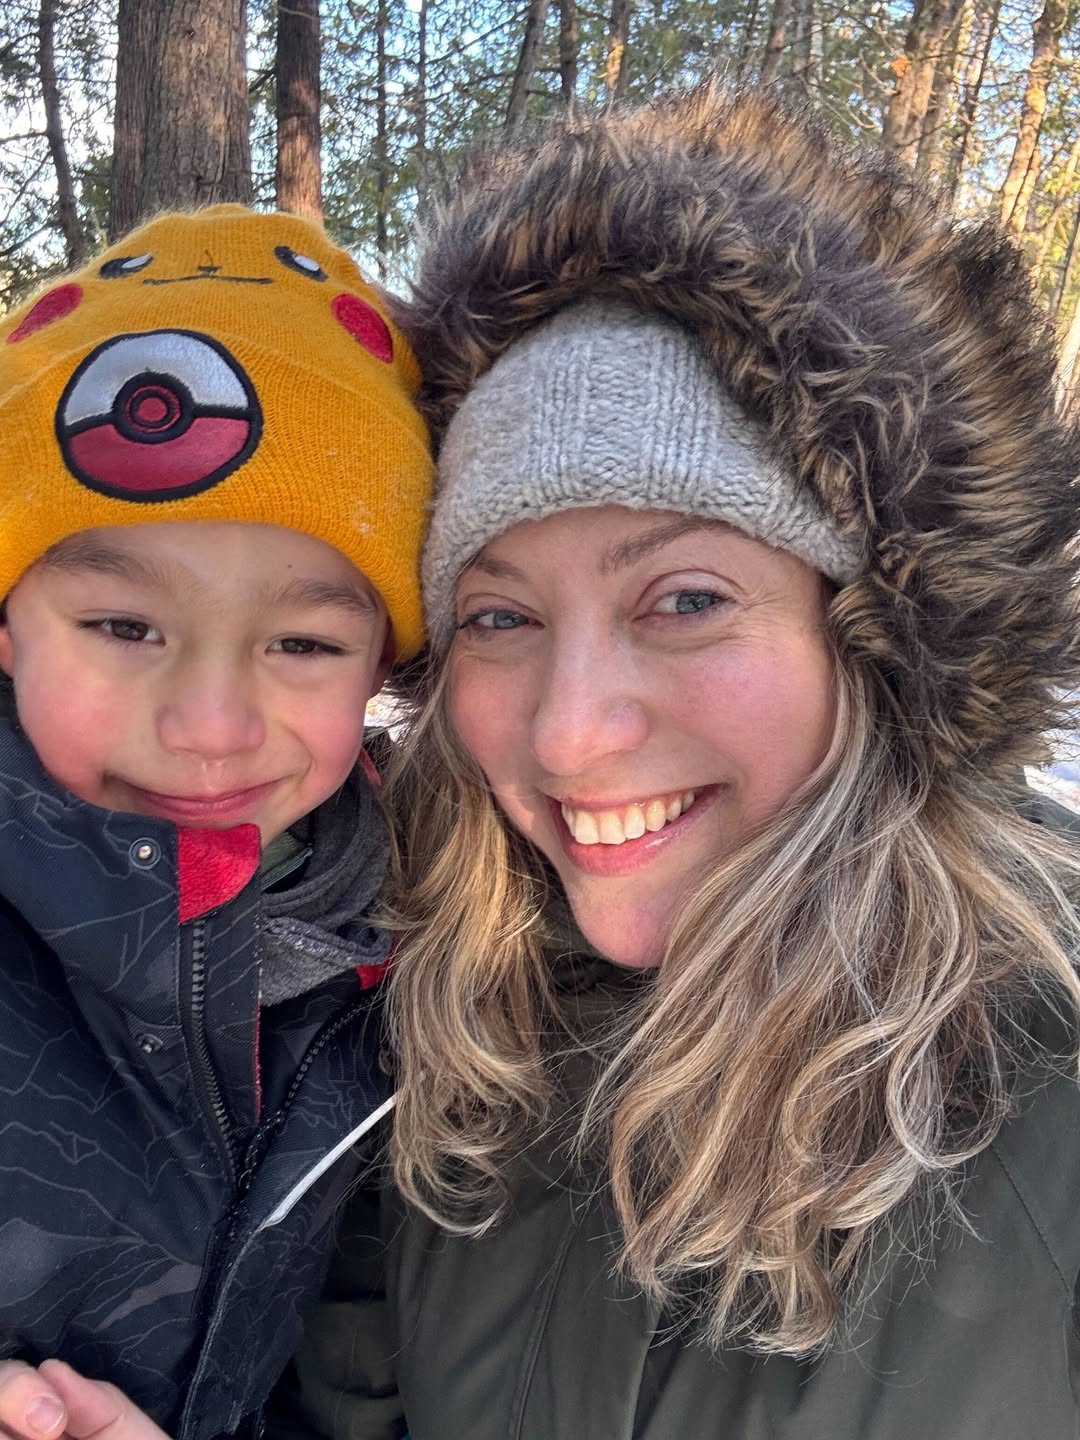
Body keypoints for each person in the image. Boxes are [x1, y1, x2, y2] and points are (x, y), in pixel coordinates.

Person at [2, 78, 1080, 1440]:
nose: (569, 734)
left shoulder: (1050, 1106)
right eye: (500, 616)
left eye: (684, 599)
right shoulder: (432, 1039)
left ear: (873, 630)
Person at [0, 205, 432, 1440]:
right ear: (8, 625)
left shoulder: (405, 938)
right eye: (126, 628)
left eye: (302, 643)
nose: (208, 726)